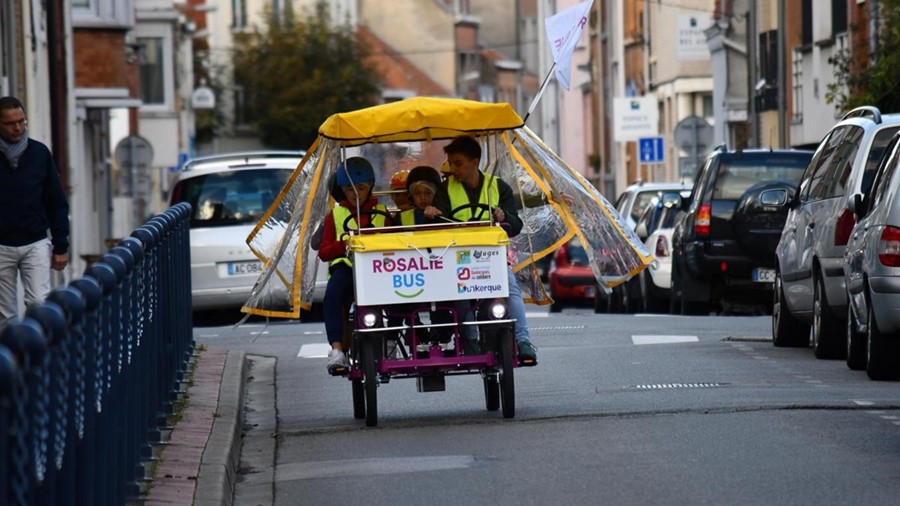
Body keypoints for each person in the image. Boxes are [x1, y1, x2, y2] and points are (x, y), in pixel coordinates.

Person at [443, 135, 537, 365]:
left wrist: (505, 217)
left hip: (490, 258)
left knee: (510, 286)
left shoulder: (498, 187)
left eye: (457, 163)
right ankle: (471, 340)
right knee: (458, 292)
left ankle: (523, 341)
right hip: (456, 259)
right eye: (451, 163)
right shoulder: (445, 189)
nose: (452, 169)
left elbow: (515, 225)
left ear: (474, 162)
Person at [0, 96, 70, 330]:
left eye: (22, 121)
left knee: (39, 305)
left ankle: (39, 363)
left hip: (35, 241)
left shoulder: (39, 154)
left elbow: (56, 201)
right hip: (1, 245)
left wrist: (61, 245)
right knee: (4, 315)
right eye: (10, 123)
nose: (18, 128)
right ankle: (9, 364)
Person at [319, 157, 391, 374]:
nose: (355, 193)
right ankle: (337, 349)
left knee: (399, 291)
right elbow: (324, 251)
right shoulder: (336, 214)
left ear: (370, 188)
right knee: (332, 294)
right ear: (342, 190)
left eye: (361, 188)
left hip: (378, 268)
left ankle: (392, 338)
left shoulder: (382, 213)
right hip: (346, 269)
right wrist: (343, 245)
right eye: (350, 189)